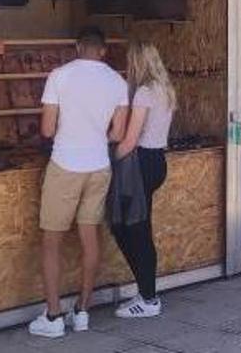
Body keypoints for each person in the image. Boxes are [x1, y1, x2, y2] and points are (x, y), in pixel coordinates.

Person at [30, 27, 130, 338]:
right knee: (91, 238)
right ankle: (83, 311)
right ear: (103, 50)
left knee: (51, 241)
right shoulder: (117, 81)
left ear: (77, 47)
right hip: (99, 166)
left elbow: (47, 129)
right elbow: (117, 134)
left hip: (65, 163)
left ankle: (53, 315)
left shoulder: (59, 76)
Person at [110, 40, 176, 318]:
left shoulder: (144, 93)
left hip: (139, 165)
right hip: (157, 161)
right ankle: (146, 292)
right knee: (138, 227)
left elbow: (129, 141)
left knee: (129, 229)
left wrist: (106, 160)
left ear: (137, 62)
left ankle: (148, 298)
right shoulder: (166, 89)